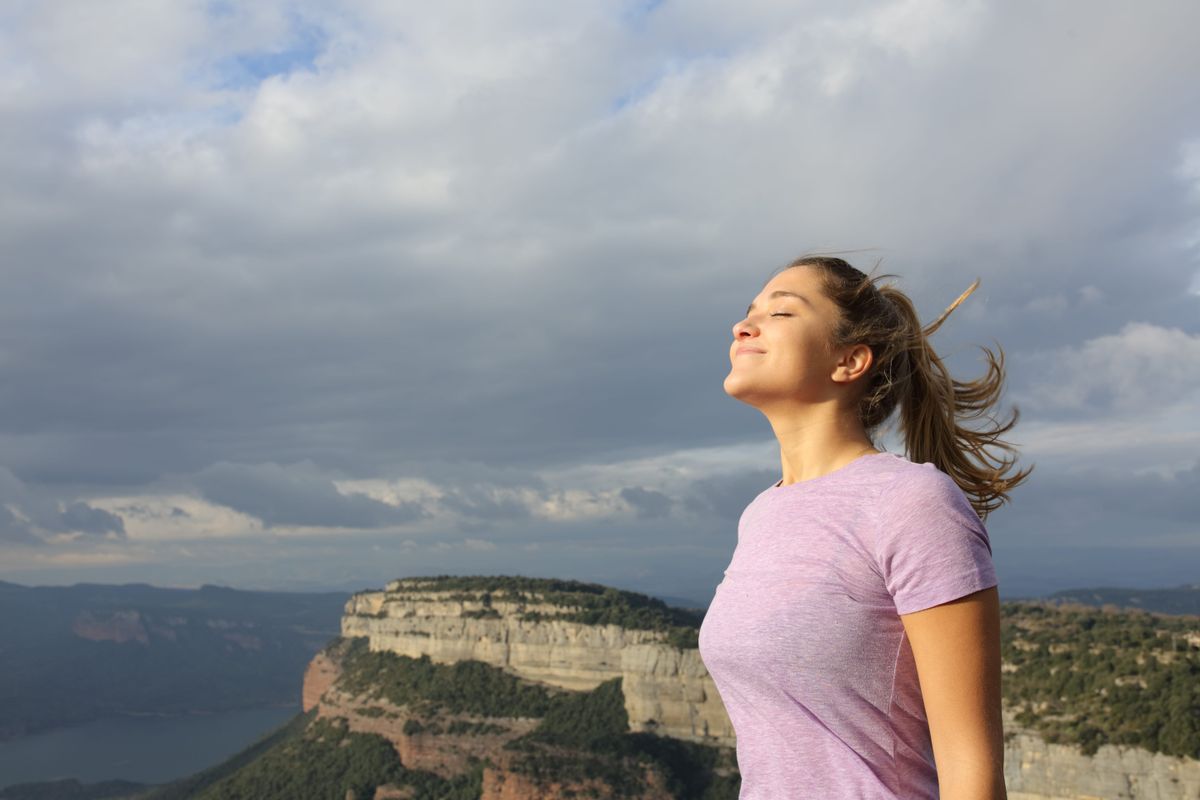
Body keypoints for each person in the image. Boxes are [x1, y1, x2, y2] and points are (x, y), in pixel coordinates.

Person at [697, 255, 1030, 800]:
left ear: (850, 360)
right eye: (748, 312)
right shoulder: (762, 513)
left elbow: (971, 771)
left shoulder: (911, 502)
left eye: (781, 312)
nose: (743, 325)